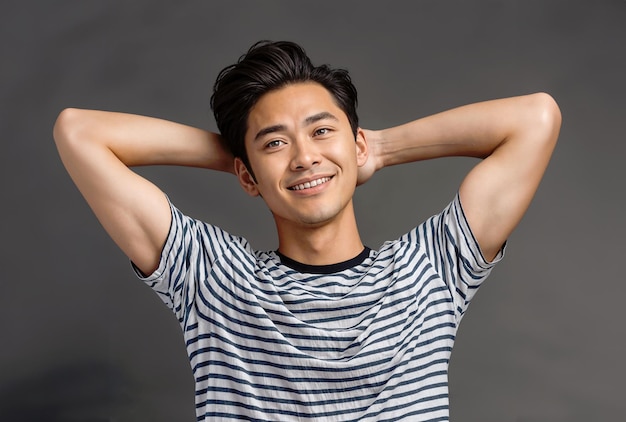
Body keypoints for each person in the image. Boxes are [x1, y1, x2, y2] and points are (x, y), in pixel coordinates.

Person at [54, 41, 561, 421]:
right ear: (246, 176)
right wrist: (244, 157)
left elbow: (535, 118)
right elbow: (80, 132)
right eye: (276, 143)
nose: (304, 156)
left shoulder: (432, 268)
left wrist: (377, 149)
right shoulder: (211, 277)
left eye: (322, 131)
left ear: (355, 145)